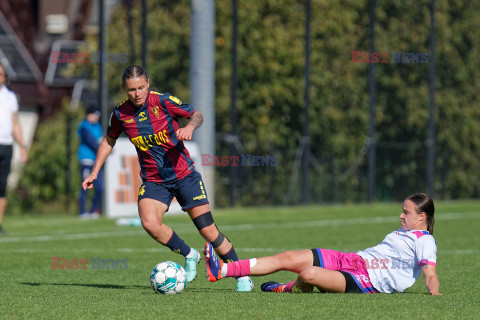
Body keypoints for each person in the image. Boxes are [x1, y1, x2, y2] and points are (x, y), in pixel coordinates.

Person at [82, 65, 253, 291]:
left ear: (148, 84)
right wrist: (95, 171)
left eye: (141, 87)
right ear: (125, 88)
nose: (137, 93)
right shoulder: (120, 114)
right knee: (150, 223)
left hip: (184, 175)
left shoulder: (162, 102)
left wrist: (190, 126)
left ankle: (241, 274)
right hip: (155, 180)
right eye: (132, 89)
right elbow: (108, 140)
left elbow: (196, 114)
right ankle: (189, 254)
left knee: (207, 229)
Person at [204, 193, 441, 295]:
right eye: (402, 211)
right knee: (288, 257)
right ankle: (222, 270)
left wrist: (435, 293)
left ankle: (286, 288)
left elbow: (429, 273)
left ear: (422, 217)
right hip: (351, 259)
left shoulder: (425, 240)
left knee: (308, 274)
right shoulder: (402, 232)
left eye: (406, 212)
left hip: (364, 281)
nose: (401, 215)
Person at [0, 63, 28, 235]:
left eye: (2, 74)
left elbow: (15, 123)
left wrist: (22, 146)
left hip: (6, 145)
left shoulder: (10, 97)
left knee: (1, 185)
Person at [77, 107, 103, 219]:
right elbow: (91, 141)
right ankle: (83, 211)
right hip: (86, 160)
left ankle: (93, 211)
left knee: (100, 187)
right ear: (88, 115)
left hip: (97, 161)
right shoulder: (84, 126)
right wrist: (103, 150)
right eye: (94, 115)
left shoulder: (98, 126)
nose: (96, 118)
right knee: (86, 186)